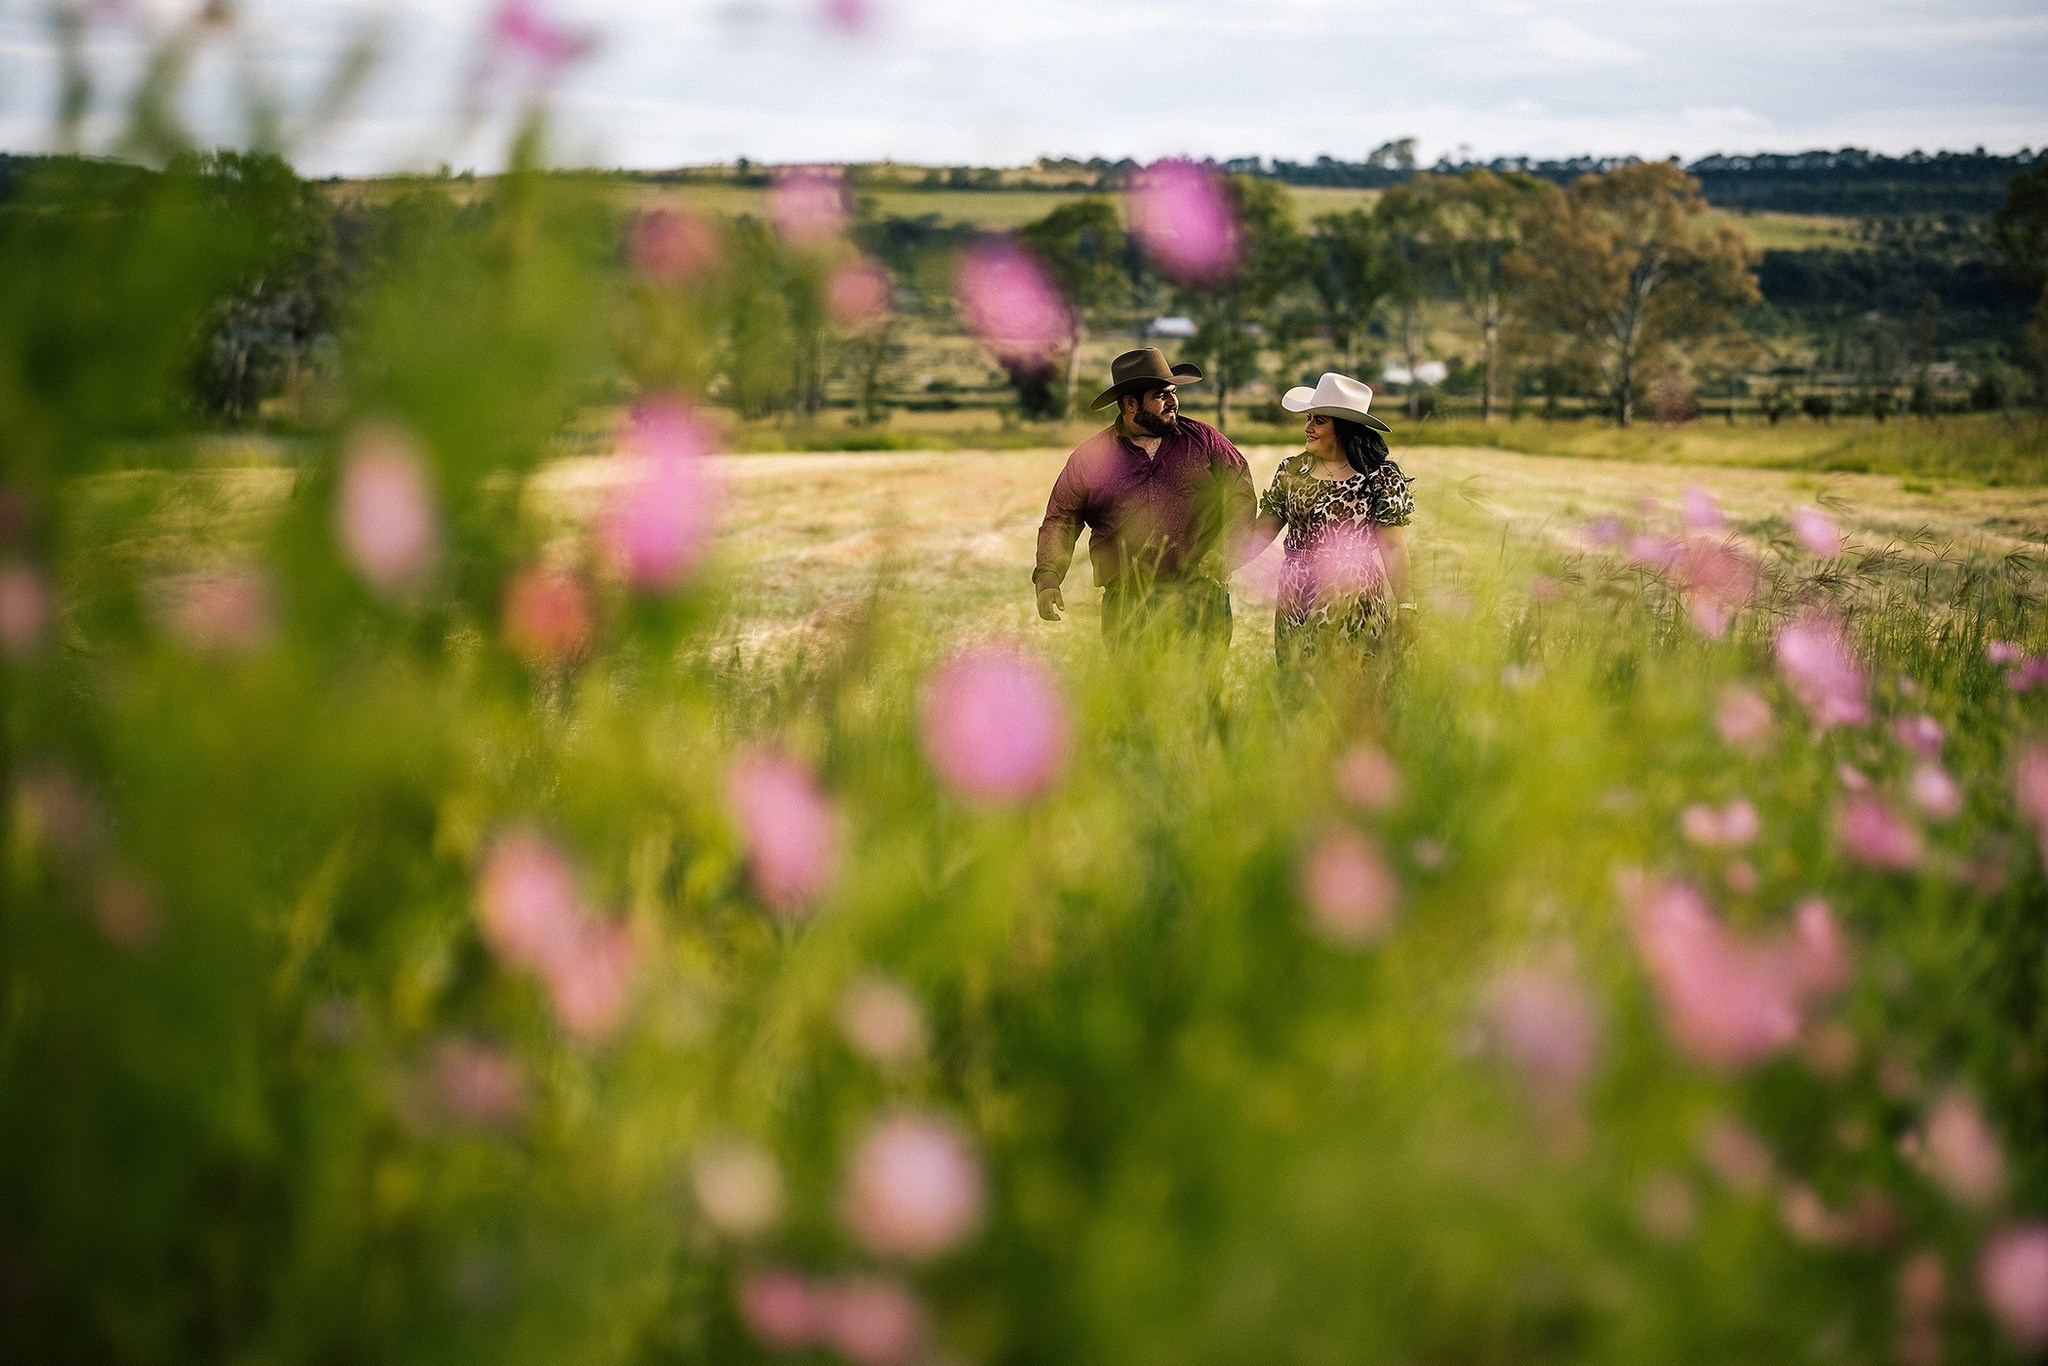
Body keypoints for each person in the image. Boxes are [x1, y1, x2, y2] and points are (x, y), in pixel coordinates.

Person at [1033, 348, 1256, 648]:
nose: (1172, 401)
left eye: (1173, 392)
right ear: (1130, 403)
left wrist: (1225, 552)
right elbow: (1062, 519)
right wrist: (1048, 579)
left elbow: (1241, 494)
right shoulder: (1091, 458)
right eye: (1160, 395)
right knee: (1133, 681)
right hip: (1127, 603)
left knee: (1202, 680)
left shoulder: (1205, 442)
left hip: (1201, 596)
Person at [1237, 373, 1413, 672]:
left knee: (1354, 681)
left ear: (1343, 428)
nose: (1307, 427)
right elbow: (1262, 531)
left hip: (1354, 597)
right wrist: (1223, 561)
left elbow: (1393, 547)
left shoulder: (1380, 477)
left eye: (1319, 421)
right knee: (1297, 682)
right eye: (1309, 418)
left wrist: (1407, 606)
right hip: (1296, 596)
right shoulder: (1292, 471)